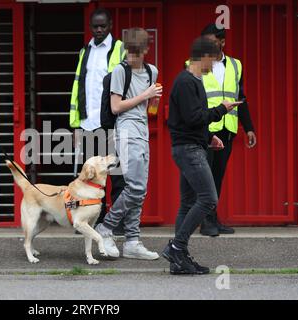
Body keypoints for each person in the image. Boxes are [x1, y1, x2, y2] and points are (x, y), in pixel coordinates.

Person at [162, 37, 241, 275]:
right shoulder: (186, 81)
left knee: (187, 202)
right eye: (214, 61)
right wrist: (221, 109)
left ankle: (179, 261)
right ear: (204, 57)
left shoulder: (194, 81)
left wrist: (208, 138)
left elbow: (193, 119)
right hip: (189, 150)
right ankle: (177, 247)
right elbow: (193, 118)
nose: (214, 66)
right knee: (208, 199)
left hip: (192, 146)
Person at [95, 28, 162, 260]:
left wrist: (153, 100)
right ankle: (106, 227)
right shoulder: (119, 71)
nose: (130, 57)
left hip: (142, 131)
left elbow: (149, 111)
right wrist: (145, 95)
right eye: (128, 52)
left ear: (145, 50)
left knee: (140, 190)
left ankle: (132, 241)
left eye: (135, 53)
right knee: (134, 187)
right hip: (125, 131)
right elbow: (116, 107)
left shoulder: (152, 72)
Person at [69, 8, 126, 233]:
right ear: (91, 27)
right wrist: (75, 125)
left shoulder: (120, 49)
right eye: (95, 26)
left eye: (103, 26)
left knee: (118, 176)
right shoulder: (85, 51)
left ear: (110, 25)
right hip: (87, 124)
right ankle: (89, 221)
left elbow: (127, 86)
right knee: (89, 176)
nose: (99, 30)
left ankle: (117, 223)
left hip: (112, 124)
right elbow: (77, 89)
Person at [198, 23, 256, 236]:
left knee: (217, 176)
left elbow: (241, 98)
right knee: (205, 177)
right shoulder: (195, 64)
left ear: (222, 42)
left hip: (227, 128)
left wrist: (248, 127)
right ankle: (206, 222)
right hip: (206, 129)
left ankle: (212, 218)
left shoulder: (235, 65)